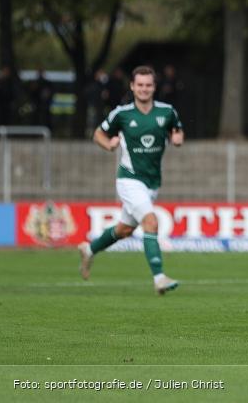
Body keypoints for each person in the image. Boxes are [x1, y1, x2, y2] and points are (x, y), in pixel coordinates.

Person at [78, 66, 184, 295]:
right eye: (140, 85)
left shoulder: (167, 112)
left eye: (148, 85)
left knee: (125, 229)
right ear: (132, 87)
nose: (144, 89)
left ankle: (89, 248)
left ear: (154, 87)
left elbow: (177, 130)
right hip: (129, 179)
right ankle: (159, 278)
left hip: (152, 182)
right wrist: (109, 145)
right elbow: (98, 133)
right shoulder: (122, 114)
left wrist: (177, 138)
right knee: (151, 221)